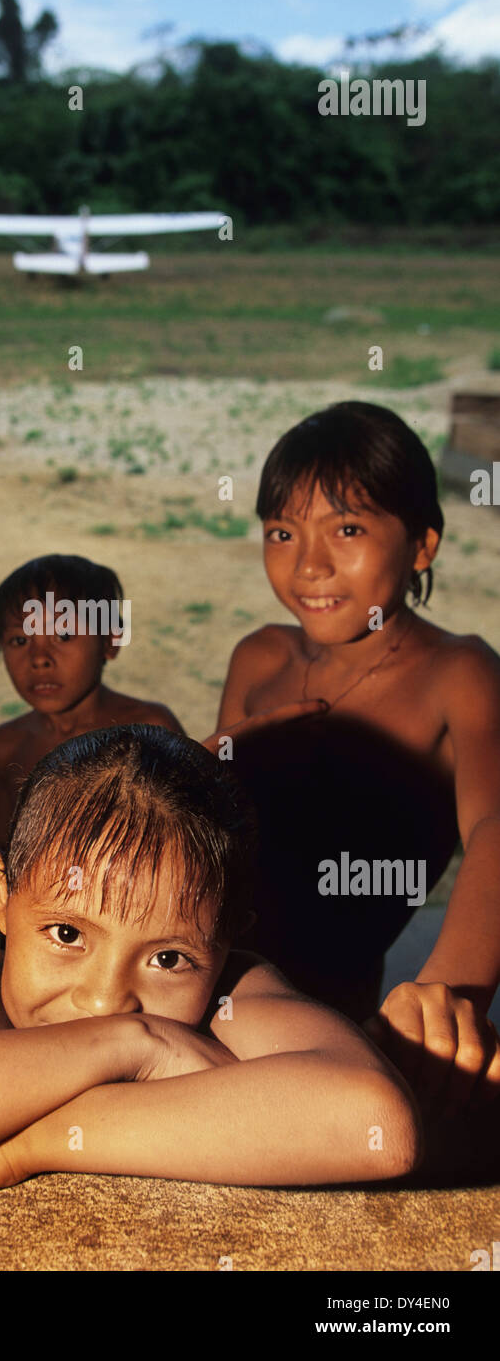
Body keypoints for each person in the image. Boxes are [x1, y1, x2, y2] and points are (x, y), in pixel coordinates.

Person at [0, 726, 420, 1221]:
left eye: (168, 958)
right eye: (67, 934)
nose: (107, 999)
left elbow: (377, 1128)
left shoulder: (233, 996)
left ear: (225, 944)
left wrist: (25, 1149)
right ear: (3, 898)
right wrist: (134, 1044)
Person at [213, 401, 500, 1119]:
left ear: (423, 546)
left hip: (330, 1028)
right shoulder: (259, 658)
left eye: (348, 529)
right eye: (282, 532)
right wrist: (197, 765)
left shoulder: (457, 673)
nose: (309, 563)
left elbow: (497, 829)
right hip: (194, 987)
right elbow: (201, 844)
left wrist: (447, 997)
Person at [0, 554, 183, 944]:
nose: (39, 659)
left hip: (134, 929)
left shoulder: (151, 730)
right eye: (19, 640)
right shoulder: (7, 746)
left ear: (110, 642)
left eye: (64, 636)